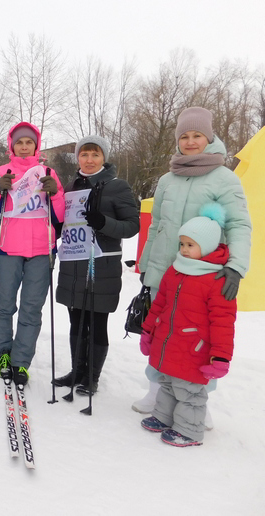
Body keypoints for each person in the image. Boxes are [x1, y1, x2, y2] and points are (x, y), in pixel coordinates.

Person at [134, 107, 251, 414]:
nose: (190, 141)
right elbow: (157, 225)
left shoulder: (224, 178)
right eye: (184, 136)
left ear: (208, 137)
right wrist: (146, 264)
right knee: (161, 331)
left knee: (196, 339)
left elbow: (238, 224)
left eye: (197, 135)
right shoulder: (167, 179)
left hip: (203, 277)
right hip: (165, 270)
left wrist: (235, 267)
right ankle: (156, 391)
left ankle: (198, 400)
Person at [139, 204, 235, 447]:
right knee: (168, 383)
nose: (184, 249)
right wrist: (148, 331)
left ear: (208, 246)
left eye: (190, 245)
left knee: (190, 392)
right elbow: (160, 303)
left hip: (195, 349)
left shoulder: (217, 279)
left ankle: (190, 430)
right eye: (182, 244)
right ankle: (163, 416)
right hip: (169, 343)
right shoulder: (176, 269)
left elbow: (223, 323)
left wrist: (221, 357)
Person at [54, 135, 139, 394]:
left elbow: (132, 225)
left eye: (95, 155)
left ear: (104, 158)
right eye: (84, 154)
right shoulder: (68, 188)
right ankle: (76, 370)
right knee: (76, 320)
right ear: (77, 157)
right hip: (72, 263)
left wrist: (102, 222)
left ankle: (92, 377)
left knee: (96, 322)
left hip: (100, 264)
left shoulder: (117, 186)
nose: (89, 160)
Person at [0, 122, 64, 385]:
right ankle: (3, 353)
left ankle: (21, 360)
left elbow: (60, 216)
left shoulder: (48, 171)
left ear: (36, 145)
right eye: (19, 142)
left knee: (32, 308)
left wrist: (54, 195)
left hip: (42, 251)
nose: (24, 146)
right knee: (4, 305)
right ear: (11, 145)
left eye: (29, 142)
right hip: (9, 248)